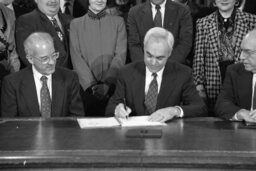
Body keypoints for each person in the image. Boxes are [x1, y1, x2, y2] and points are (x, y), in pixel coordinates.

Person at [106, 27, 206, 122]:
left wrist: (175, 111)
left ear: (169, 53)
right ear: (144, 48)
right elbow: (110, 107)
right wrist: (117, 109)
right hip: (135, 134)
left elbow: (200, 108)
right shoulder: (126, 72)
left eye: (160, 58)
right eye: (149, 55)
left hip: (168, 135)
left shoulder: (183, 73)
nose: (153, 62)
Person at [193, 0, 256, 114]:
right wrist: (199, 85)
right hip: (212, 83)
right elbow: (198, 57)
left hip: (242, 78)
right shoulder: (202, 23)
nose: (224, 0)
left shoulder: (252, 20)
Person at [1, 32, 84, 117]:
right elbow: (9, 124)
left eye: (54, 55)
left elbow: (76, 119)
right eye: (45, 59)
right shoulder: (12, 83)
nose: (52, 62)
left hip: (61, 130)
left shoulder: (69, 78)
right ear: (30, 59)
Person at [70, 0, 127, 116]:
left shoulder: (118, 22)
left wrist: (107, 83)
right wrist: (91, 85)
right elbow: (76, 57)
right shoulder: (76, 24)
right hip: (85, 89)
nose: (100, 0)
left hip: (112, 87)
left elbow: (120, 55)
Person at [127, 0, 193, 64]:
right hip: (143, 70)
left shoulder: (183, 10)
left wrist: (166, 67)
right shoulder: (134, 12)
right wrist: (146, 68)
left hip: (174, 67)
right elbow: (134, 44)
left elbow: (185, 42)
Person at [15, 0, 73, 69]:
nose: (53, 1)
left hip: (74, 77)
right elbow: (28, 56)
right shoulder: (26, 21)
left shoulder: (72, 20)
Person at [215, 29, 256, 122]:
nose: (241, 57)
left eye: (248, 52)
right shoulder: (234, 71)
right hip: (242, 134)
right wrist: (239, 113)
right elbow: (222, 104)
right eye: (242, 51)